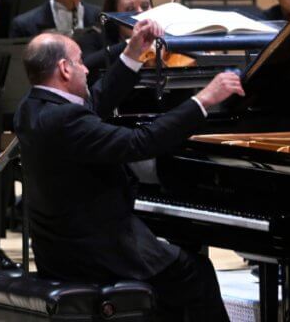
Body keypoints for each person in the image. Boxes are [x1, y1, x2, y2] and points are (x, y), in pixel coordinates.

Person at [15, 23, 244, 320]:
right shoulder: (65, 120)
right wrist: (204, 100)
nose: (86, 68)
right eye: (80, 61)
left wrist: (133, 53)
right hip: (94, 252)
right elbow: (141, 142)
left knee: (173, 273)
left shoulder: (31, 107)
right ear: (64, 69)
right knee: (195, 274)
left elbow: (95, 102)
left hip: (58, 249)